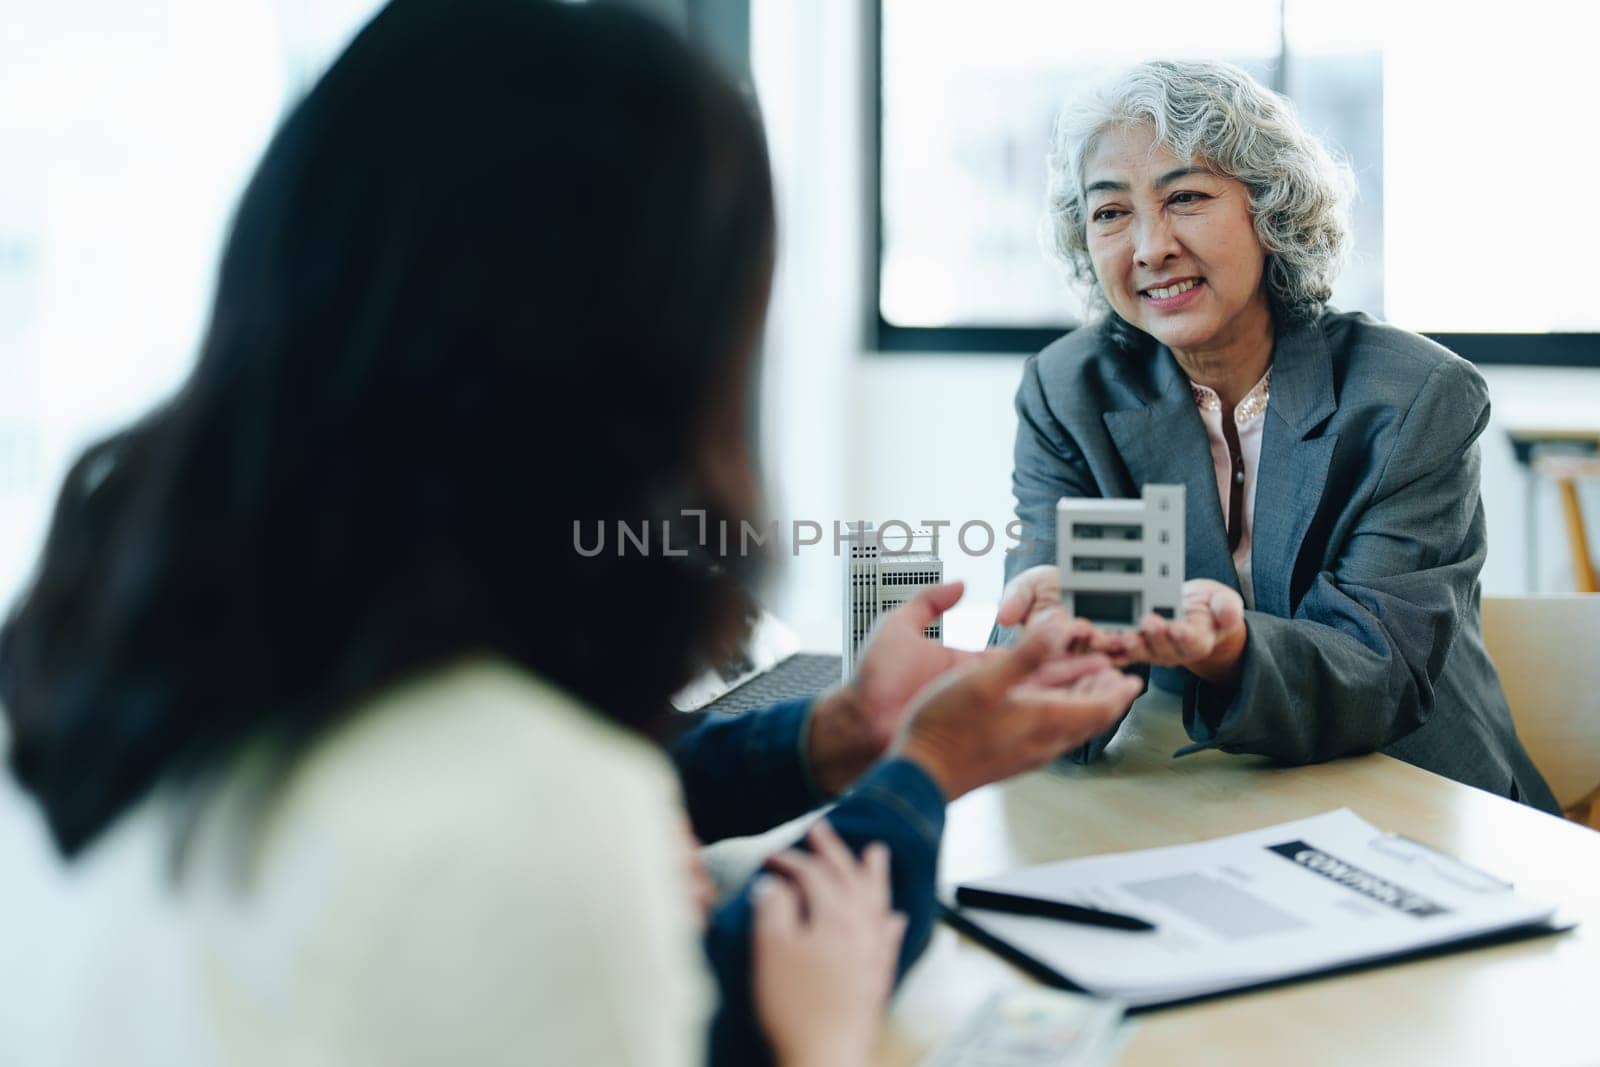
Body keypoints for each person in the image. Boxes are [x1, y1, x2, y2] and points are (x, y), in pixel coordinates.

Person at [0, 3, 1142, 1066]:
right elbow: (599, 924)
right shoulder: (533, 822)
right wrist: (916, 792)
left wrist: (841, 735)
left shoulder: (107, 646)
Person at [995, 59, 1557, 813]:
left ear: (1271, 209)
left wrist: (1230, 650)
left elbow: (1380, 666)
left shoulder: (1412, 398)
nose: (1150, 245)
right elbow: (1057, 673)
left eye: (1185, 197)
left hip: (1413, 786)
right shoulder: (1072, 395)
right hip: (1197, 787)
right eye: (1110, 213)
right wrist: (1053, 649)